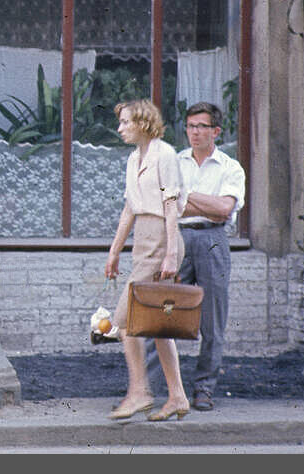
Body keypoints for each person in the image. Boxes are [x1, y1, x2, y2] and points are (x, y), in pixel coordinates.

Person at [145, 101, 246, 411]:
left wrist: (185, 197)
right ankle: (148, 389)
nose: (195, 132)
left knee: (212, 321)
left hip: (213, 240)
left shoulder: (230, 167)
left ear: (216, 131)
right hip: (177, 239)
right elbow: (165, 206)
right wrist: (203, 204)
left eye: (202, 127)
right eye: (191, 126)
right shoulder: (175, 163)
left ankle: (204, 389)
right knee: (161, 314)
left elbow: (224, 209)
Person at [104, 98, 190, 422]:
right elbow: (130, 207)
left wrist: (171, 253)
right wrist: (114, 251)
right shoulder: (133, 159)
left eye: (126, 122)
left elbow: (171, 205)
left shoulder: (164, 154)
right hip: (143, 238)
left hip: (160, 238)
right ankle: (177, 397)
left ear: (143, 123)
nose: (120, 128)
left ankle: (140, 392)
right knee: (157, 325)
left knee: (124, 320)